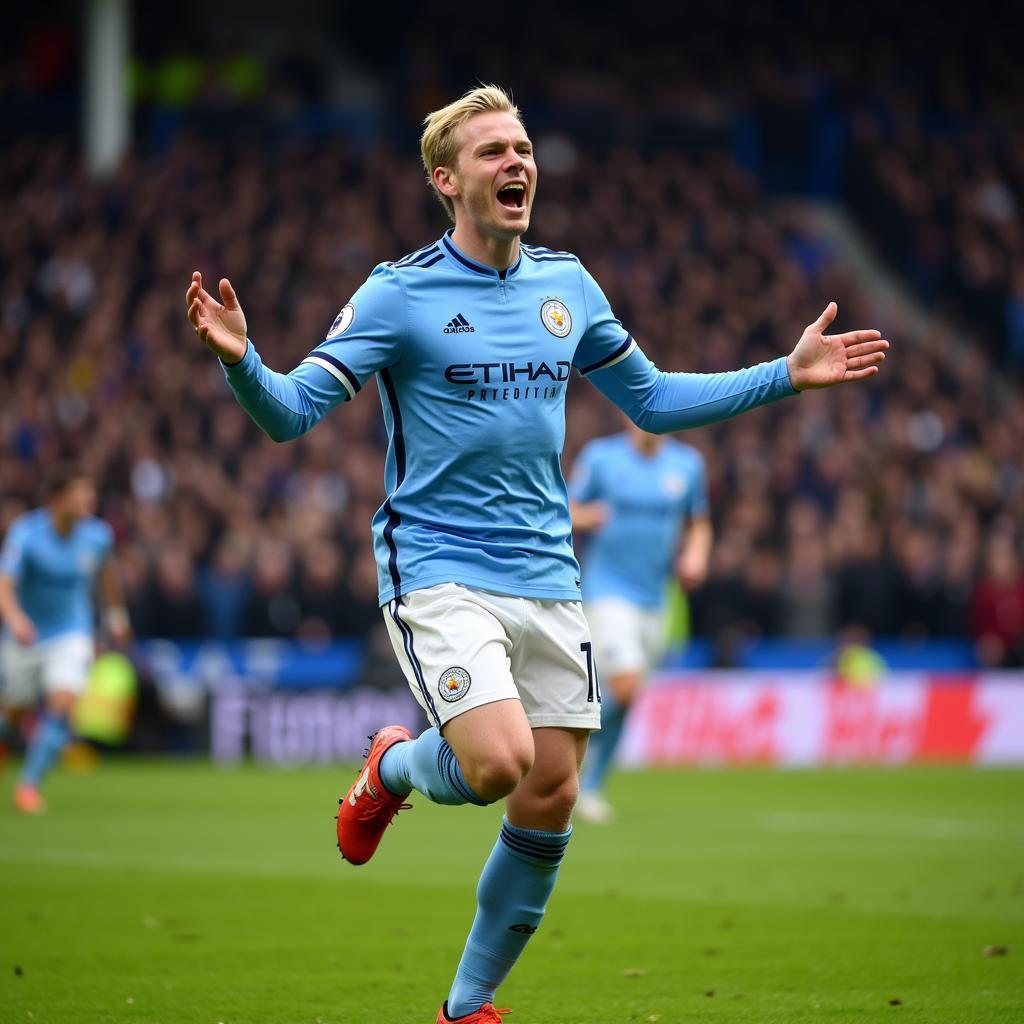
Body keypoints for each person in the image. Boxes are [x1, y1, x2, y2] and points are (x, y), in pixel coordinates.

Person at [185, 84, 888, 1024]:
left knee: (549, 795)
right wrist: (242, 362)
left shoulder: (569, 285)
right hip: (437, 567)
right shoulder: (398, 293)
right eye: (492, 153)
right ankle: (392, 768)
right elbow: (292, 415)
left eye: (522, 148)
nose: (517, 163)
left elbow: (653, 402)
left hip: (550, 574)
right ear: (446, 179)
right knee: (496, 764)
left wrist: (785, 375)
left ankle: (465, 1007)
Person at [570, 422, 712, 823]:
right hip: (607, 592)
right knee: (626, 685)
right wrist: (587, 516)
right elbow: (565, 509)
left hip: (657, 598)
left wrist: (696, 555)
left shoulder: (686, 464)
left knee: (628, 698)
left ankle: (591, 783)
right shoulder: (601, 457)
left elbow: (698, 521)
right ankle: (569, 755)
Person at [0, 468, 132, 814]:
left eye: (90, 493)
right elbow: (4, 584)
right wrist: (16, 620)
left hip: (71, 632)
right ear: (58, 499)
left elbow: (106, 573)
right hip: (26, 635)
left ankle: (28, 786)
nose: (89, 500)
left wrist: (117, 617)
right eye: (80, 493)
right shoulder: (26, 534)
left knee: (63, 701)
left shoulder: (97, 535)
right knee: (12, 713)